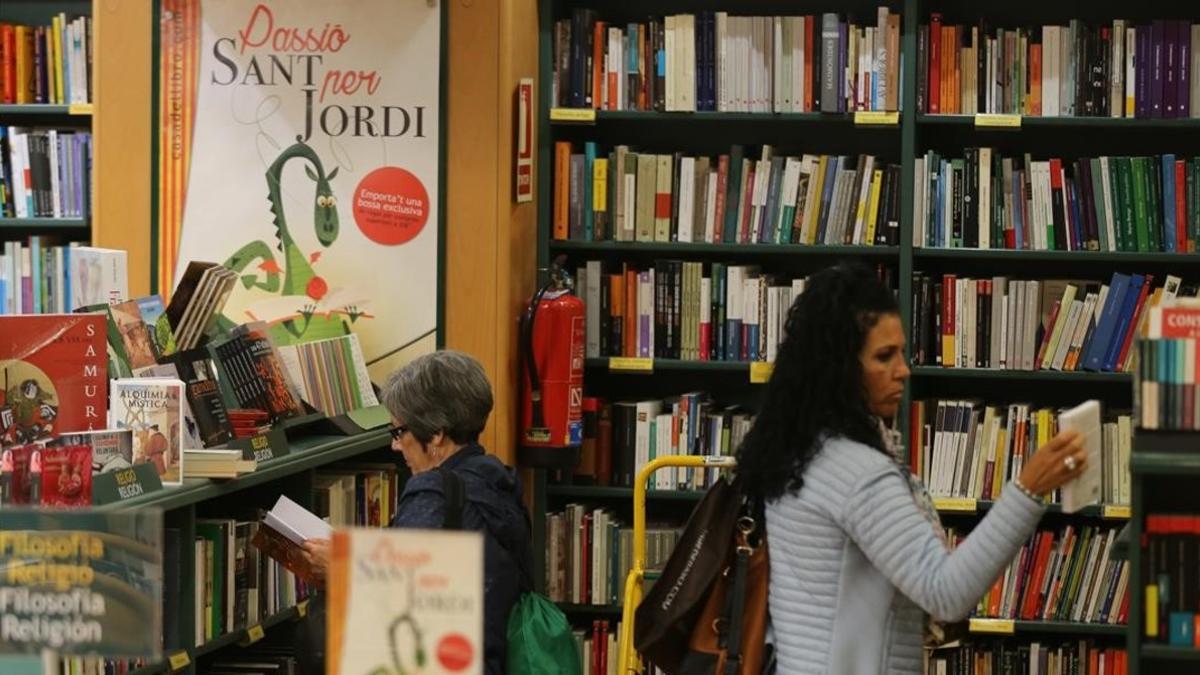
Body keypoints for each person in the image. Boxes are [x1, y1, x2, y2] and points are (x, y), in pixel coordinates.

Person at [735, 262, 1088, 675]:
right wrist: (1028, 488)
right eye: (884, 356)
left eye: (901, 352)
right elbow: (945, 592)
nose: (903, 370)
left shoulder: (795, 450)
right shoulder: (859, 474)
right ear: (839, 369)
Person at [298, 350, 532, 675]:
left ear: (435, 434)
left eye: (399, 432)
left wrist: (339, 569)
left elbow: (403, 605)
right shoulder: (498, 481)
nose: (395, 446)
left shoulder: (433, 495)